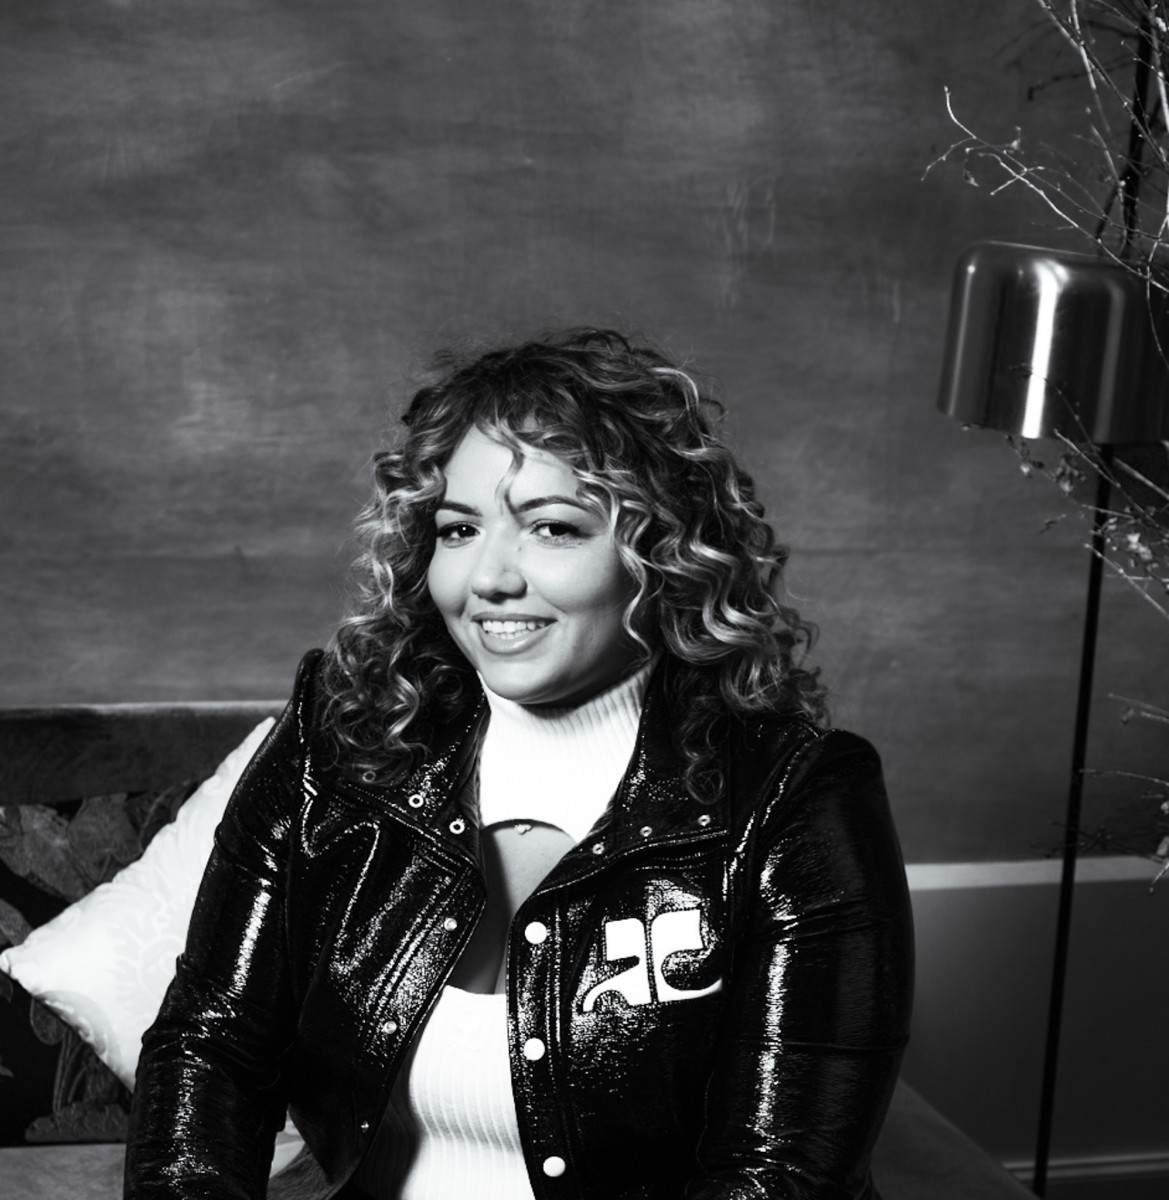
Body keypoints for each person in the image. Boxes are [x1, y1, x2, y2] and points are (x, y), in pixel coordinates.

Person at [125, 328, 914, 1200]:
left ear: (659, 549)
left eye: (551, 528)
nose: (489, 577)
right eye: (459, 529)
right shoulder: (341, 731)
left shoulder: (794, 797)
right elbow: (211, 1043)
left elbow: (780, 1175)